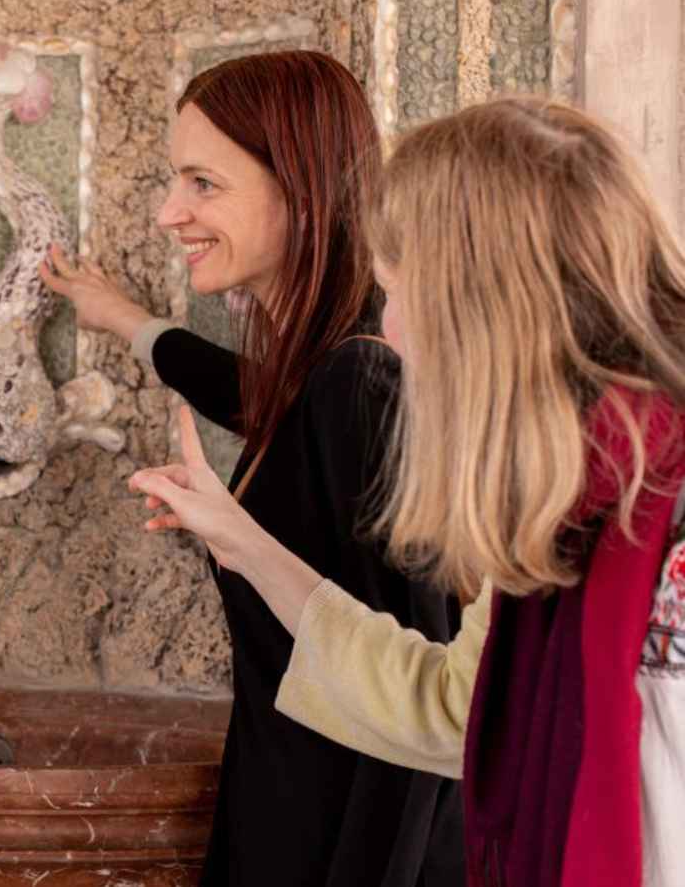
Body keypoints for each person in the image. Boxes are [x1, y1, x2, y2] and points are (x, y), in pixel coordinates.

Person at [130, 97, 685, 887]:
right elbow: (461, 707)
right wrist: (239, 540)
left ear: (485, 302)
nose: (389, 330)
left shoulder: (658, 526)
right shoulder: (558, 508)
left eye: (399, 293)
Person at [39, 51, 463, 885]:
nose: (169, 212)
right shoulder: (326, 375)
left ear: (298, 191)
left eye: (203, 183)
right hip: (290, 814)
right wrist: (124, 318)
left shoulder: (360, 384)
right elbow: (253, 394)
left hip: (335, 847)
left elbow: (423, 716)